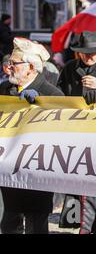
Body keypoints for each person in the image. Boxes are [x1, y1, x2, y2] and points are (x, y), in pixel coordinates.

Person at [57, 31, 96, 234]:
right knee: (79, 183)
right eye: (84, 53)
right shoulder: (69, 68)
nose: (88, 56)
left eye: (92, 52)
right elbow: (60, 96)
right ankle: (80, 224)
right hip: (77, 134)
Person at [0, 38, 64, 234]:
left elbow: (62, 133)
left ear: (31, 67)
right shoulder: (4, 90)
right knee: (9, 222)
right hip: (8, 170)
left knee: (36, 222)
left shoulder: (52, 94)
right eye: (9, 63)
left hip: (36, 170)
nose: (9, 67)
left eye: (14, 63)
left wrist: (39, 107)